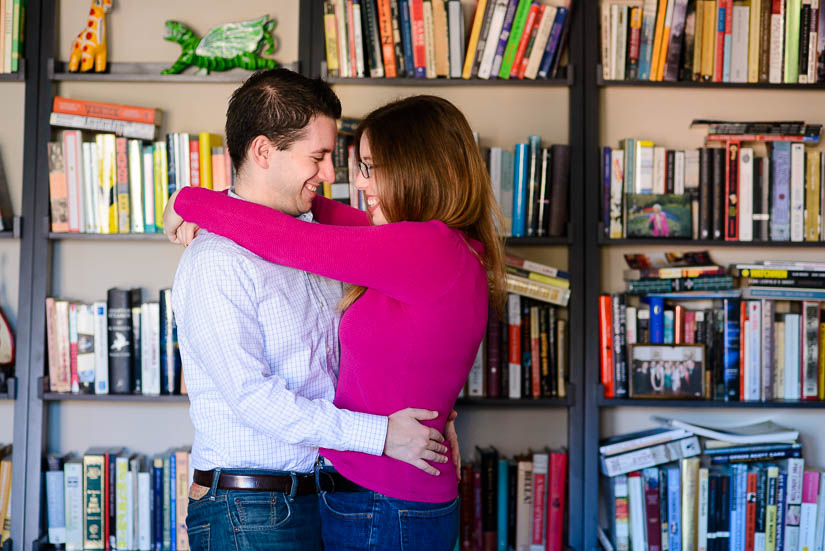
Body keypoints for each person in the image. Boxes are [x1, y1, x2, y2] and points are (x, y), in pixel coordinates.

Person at [165, 93, 506, 550]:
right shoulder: (431, 246)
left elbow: (293, 237)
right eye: (323, 158)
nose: (354, 183)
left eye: (370, 166)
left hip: (386, 497)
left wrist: (189, 201)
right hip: (361, 493)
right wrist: (202, 204)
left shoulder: (426, 247)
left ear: (418, 168)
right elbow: (318, 215)